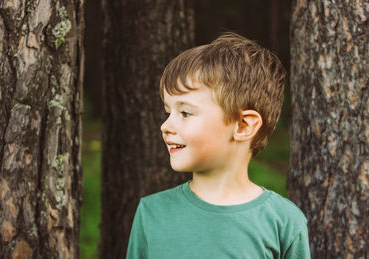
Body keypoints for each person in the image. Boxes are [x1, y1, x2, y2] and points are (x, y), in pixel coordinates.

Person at [126, 32, 310, 259]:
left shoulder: (284, 222)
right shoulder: (151, 213)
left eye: (185, 112)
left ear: (243, 125)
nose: (166, 126)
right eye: (168, 112)